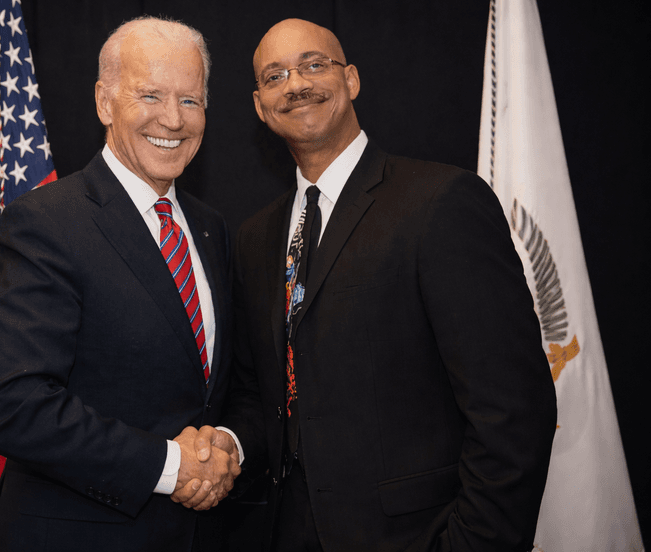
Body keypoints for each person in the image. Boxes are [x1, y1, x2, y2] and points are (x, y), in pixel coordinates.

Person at [177, 18, 557, 551]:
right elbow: (259, 395)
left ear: (351, 79)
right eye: (275, 75)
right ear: (261, 106)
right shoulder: (255, 238)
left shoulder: (441, 203)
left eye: (314, 64)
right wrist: (227, 444)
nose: (297, 84)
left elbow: (514, 410)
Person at [0, 16, 239, 552]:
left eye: (191, 100)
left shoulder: (211, 229)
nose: (173, 119)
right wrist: (169, 465)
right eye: (151, 95)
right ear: (104, 101)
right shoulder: (47, 222)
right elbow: (11, 404)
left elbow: (227, 386)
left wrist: (226, 447)